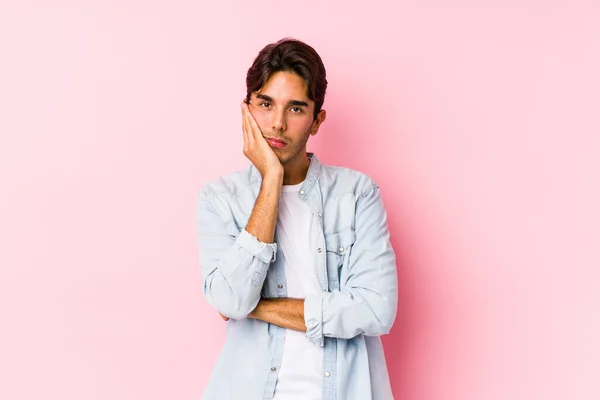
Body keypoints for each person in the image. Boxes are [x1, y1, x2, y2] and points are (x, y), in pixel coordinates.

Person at [195, 37, 398, 400]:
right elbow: (230, 299)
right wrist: (270, 179)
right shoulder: (219, 200)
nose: (276, 124)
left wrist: (253, 309)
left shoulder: (356, 195)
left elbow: (375, 309)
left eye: (295, 109)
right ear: (247, 109)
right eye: (265, 104)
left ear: (317, 120)